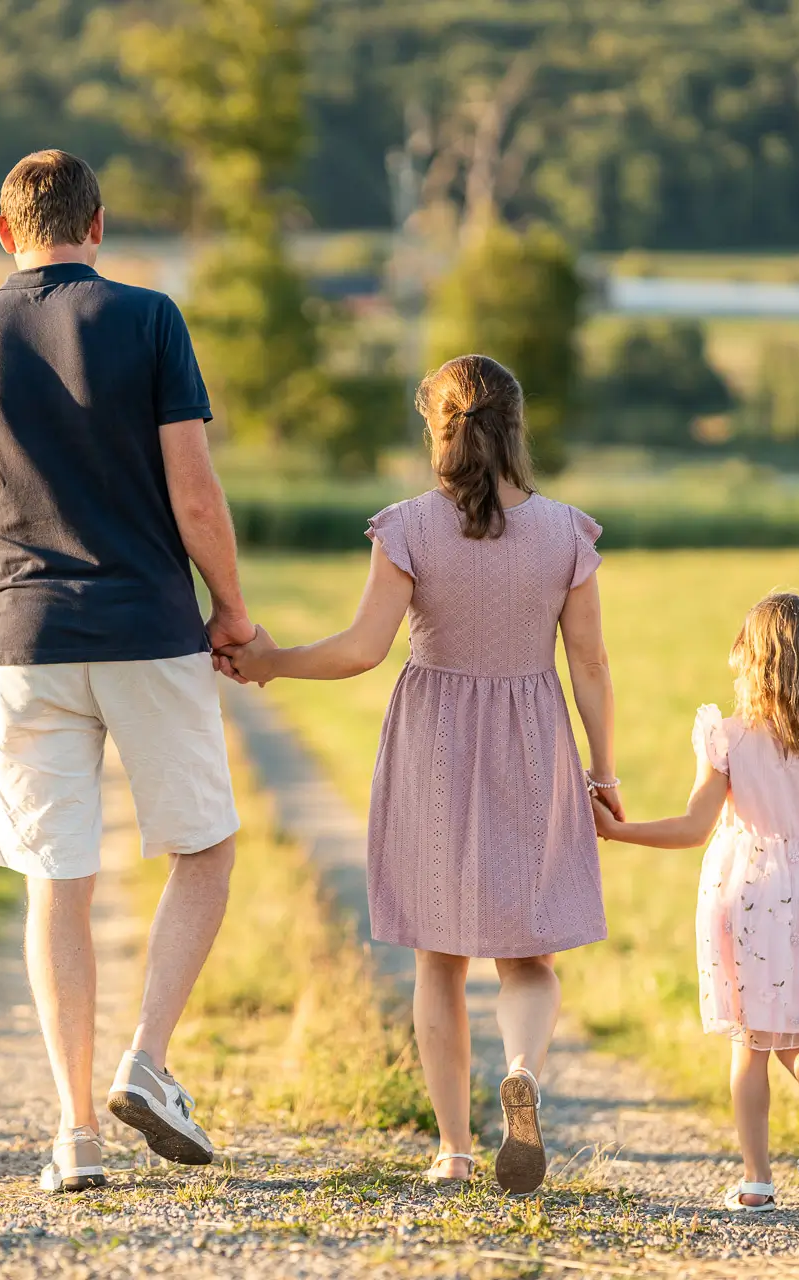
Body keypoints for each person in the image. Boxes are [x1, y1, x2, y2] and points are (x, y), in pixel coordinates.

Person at [0, 149, 255, 1193]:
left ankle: (73, 1136)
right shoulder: (150, 322)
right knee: (205, 846)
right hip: (149, 627)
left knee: (57, 883)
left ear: (5, 232)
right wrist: (231, 606)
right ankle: (145, 1059)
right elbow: (196, 495)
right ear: (96, 225)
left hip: (22, 645)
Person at [222, 354, 616, 1195]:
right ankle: (522, 1071)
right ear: (516, 429)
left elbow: (364, 649)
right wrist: (603, 767)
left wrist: (274, 662)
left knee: (439, 959)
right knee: (531, 956)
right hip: (533, 739)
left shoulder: (408, 527)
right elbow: (590, 666)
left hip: (434, 743)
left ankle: (453, 1150)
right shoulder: (568, 533)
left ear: (438, 432)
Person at [592, 592, 799, 1211]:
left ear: (754, 658)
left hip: (744, 897)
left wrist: (619, 831)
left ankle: (756, 1180)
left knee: (750, 1042)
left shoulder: (730, 736)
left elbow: (695, 827)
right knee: (797, 1028)